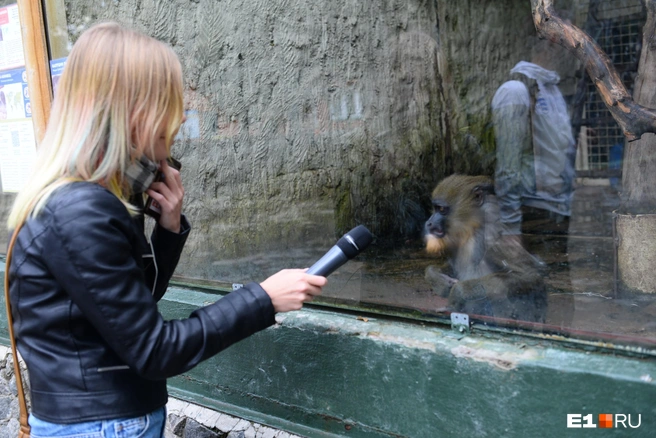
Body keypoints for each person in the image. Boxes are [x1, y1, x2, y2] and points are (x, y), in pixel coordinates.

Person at [5, 22, 326, 436]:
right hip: (103, 425)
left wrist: (168, 230)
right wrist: (262, 299)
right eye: (169, 108)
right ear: (133, 113)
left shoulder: (82, 198)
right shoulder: (81, 212)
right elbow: (155, 349)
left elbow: (127, 311)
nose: (177, 123)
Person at [492, 61, 576, 239]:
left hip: (558, 208)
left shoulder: (552, 92)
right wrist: (511, 228)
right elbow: (508, 165)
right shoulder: (514, 92)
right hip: (530, 210)